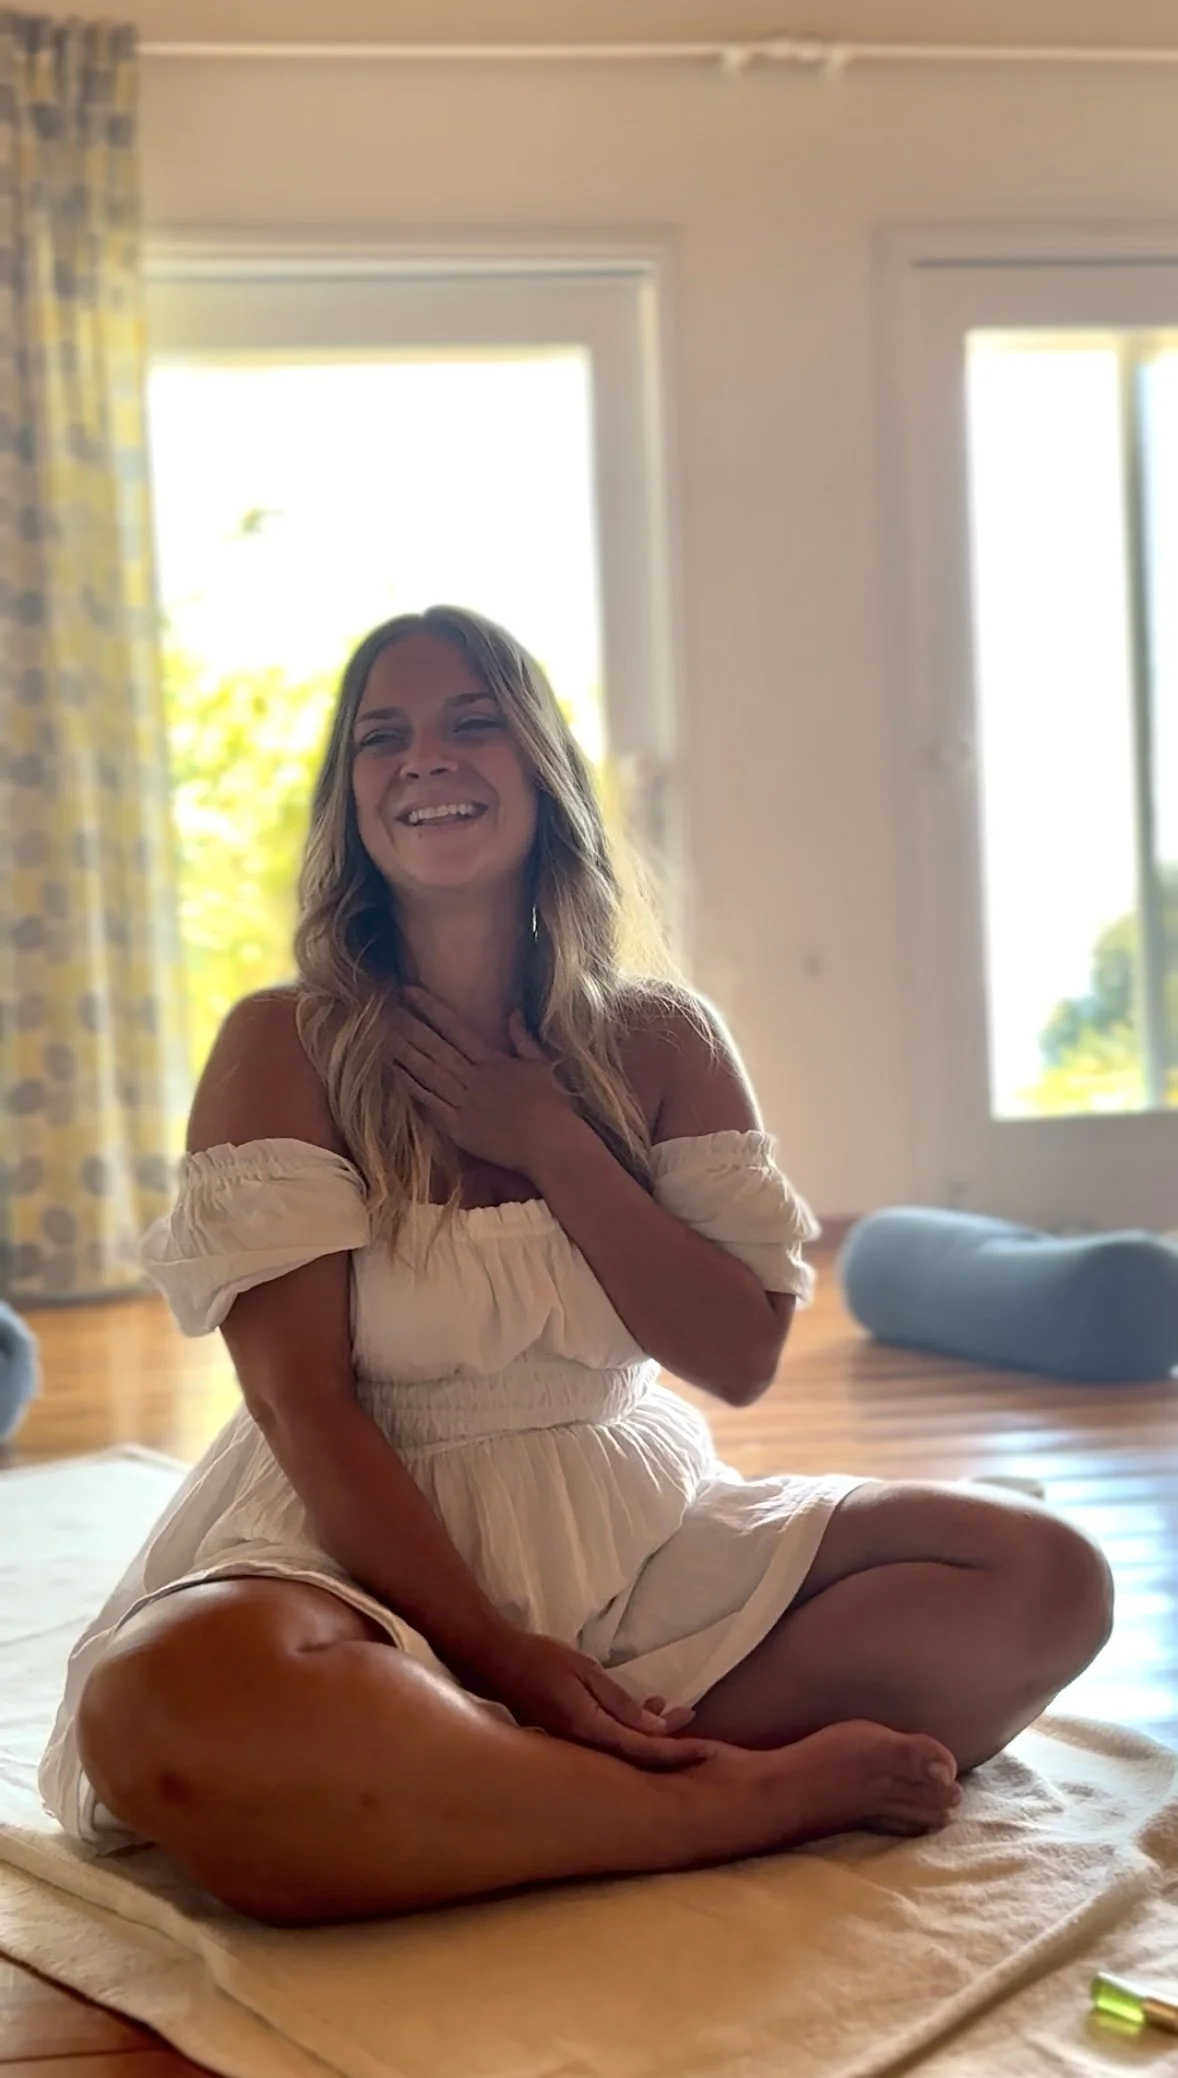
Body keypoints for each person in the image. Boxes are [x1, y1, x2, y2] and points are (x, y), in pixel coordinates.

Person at [40, 606, 1114, 1927]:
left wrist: (549, 1134)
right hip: (351, 1544)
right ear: (352, 800)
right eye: (382, 736)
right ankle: (716, 1803)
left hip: (626, 1523)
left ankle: (480, 1792)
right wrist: (503, 1656)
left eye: (470, 720)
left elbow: (736, 1352)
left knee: (1044, 1576)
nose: (422, 757)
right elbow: (300, 1402)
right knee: (164, 1705)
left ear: (543, 767)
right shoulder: (282, 1041)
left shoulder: (661, 1038)